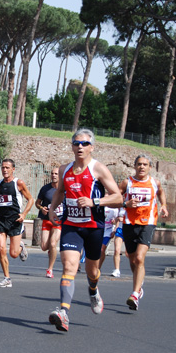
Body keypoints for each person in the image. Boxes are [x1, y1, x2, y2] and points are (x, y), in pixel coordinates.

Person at [47, 129, 122, 332]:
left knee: (92, 270)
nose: (80, 147)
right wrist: (53, 209)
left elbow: (118, 197)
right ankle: (63, 312)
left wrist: (94, 201)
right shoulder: (65, 169)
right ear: (72, 146)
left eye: (85, 144)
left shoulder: (98, 169)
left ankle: (93, 289)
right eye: (76, 143)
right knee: (69, 266)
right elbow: (60, 191)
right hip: (71, 225)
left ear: (92, 147)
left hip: (94, 228)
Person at [119, 154, 168, 311]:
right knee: (132, 260)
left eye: (145, 164)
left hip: (148, 223)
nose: (142, 167)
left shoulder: (155, 183)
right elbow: (114, 197)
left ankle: (134, 293)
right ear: (134, 166)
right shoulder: (128, 182)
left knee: (140, 258)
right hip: (129, 223)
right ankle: (139, 287)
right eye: (139, 164)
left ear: (150, 167)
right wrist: (125, 204)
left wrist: (164, 205)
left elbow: (160, 192)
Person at [0, 159, 33, 287]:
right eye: (3, 167)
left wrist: (24, 214)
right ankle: (7, 278)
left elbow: (30, 199)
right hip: (1, 220)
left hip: (15, 220)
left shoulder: (18, 183)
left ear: (13, 169)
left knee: (13, 254)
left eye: (7, 167)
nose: (5, 170)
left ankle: (20, 246)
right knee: (1, 248)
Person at [35, 167, 62, 278]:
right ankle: (51, 251)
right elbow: (37, 203)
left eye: (56, 173)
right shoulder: (45, 189)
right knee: (44, 247)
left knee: (52, 244)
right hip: (46, 220)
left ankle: (50, 269)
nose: (54, 175)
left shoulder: (64, 189)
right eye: (52, 173)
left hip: (58, 221)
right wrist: (41, 208)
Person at [98, 206, 120, 272]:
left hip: (108, 231)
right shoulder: (101, 205)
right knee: (97, 249)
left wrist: (115, 228)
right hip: (99, 229)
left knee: (102, 249)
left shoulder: (115, 209)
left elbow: (118, 219)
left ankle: (98, 267)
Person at [110, 208, 126, 277]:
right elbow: (118, 218)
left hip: (129, 230)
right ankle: (117, 270)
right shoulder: (121, 206)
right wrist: (115, 224)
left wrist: (124, 220)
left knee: (130, 254)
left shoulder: (133, 204)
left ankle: (136, 271)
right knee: (117, 250)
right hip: (120, 230)